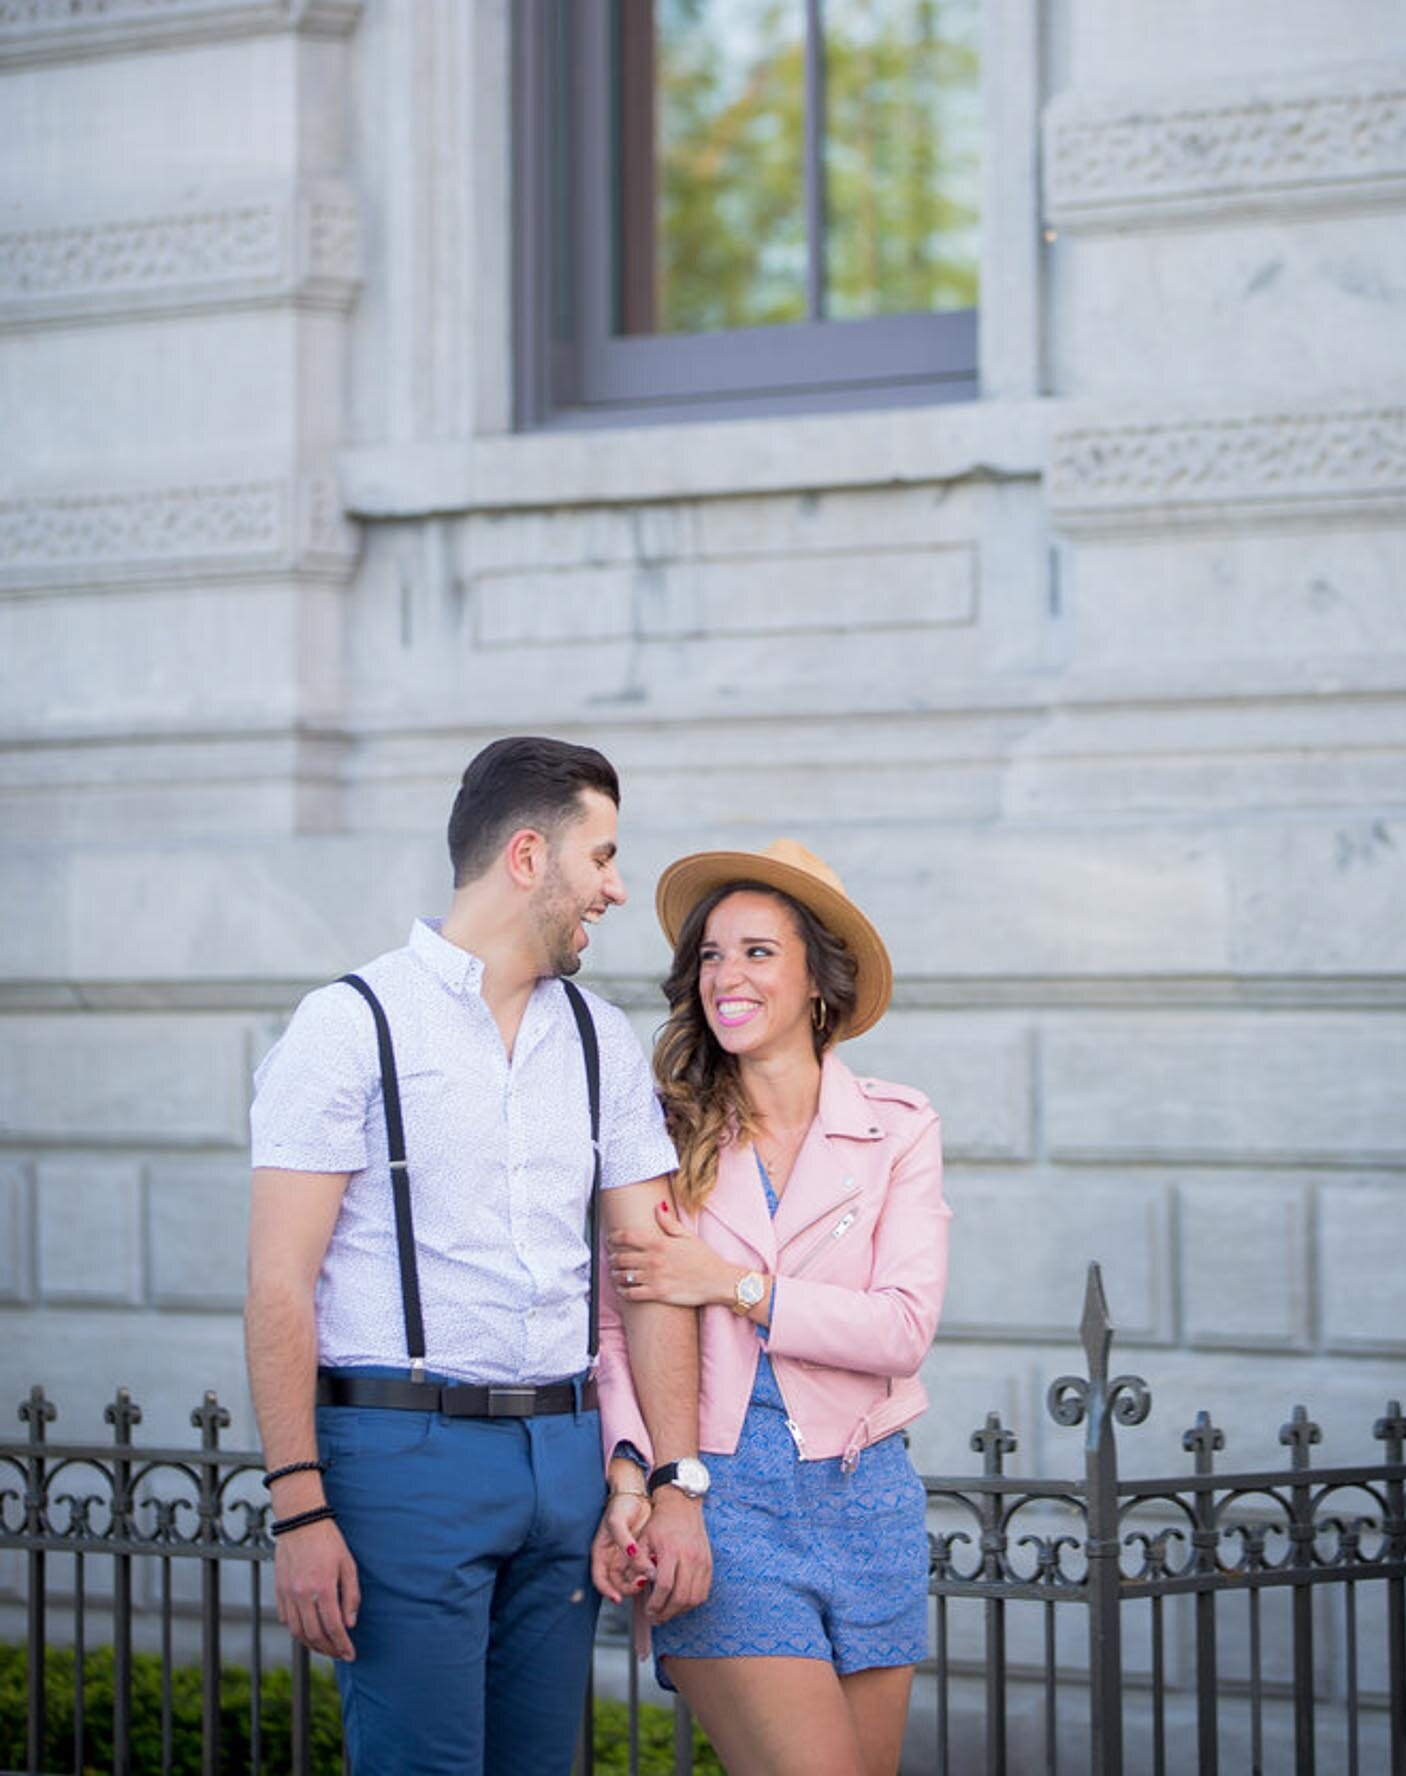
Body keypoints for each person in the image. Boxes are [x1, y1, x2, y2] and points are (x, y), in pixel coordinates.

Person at [244, 736, 713, 1776]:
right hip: (405, 1455)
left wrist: (673, 1481)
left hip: (566, 1459)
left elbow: (646, 1268)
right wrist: (299, 1506)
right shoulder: (348, 1024)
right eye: (602, 858)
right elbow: (279, 1283)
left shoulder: (599, 1038)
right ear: (530, 856)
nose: (617, 889)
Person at [594, 838, 949, 1776]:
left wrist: (732, 1285)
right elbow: (614, 1328)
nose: (726, 976)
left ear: (818, 981)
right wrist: (638, 1476)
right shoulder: (658, 1133)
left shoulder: (900, 1131)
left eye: (757, 952)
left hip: (869, 1497)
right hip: (720, 1499)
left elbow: (903, 1329)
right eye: (711, 954)